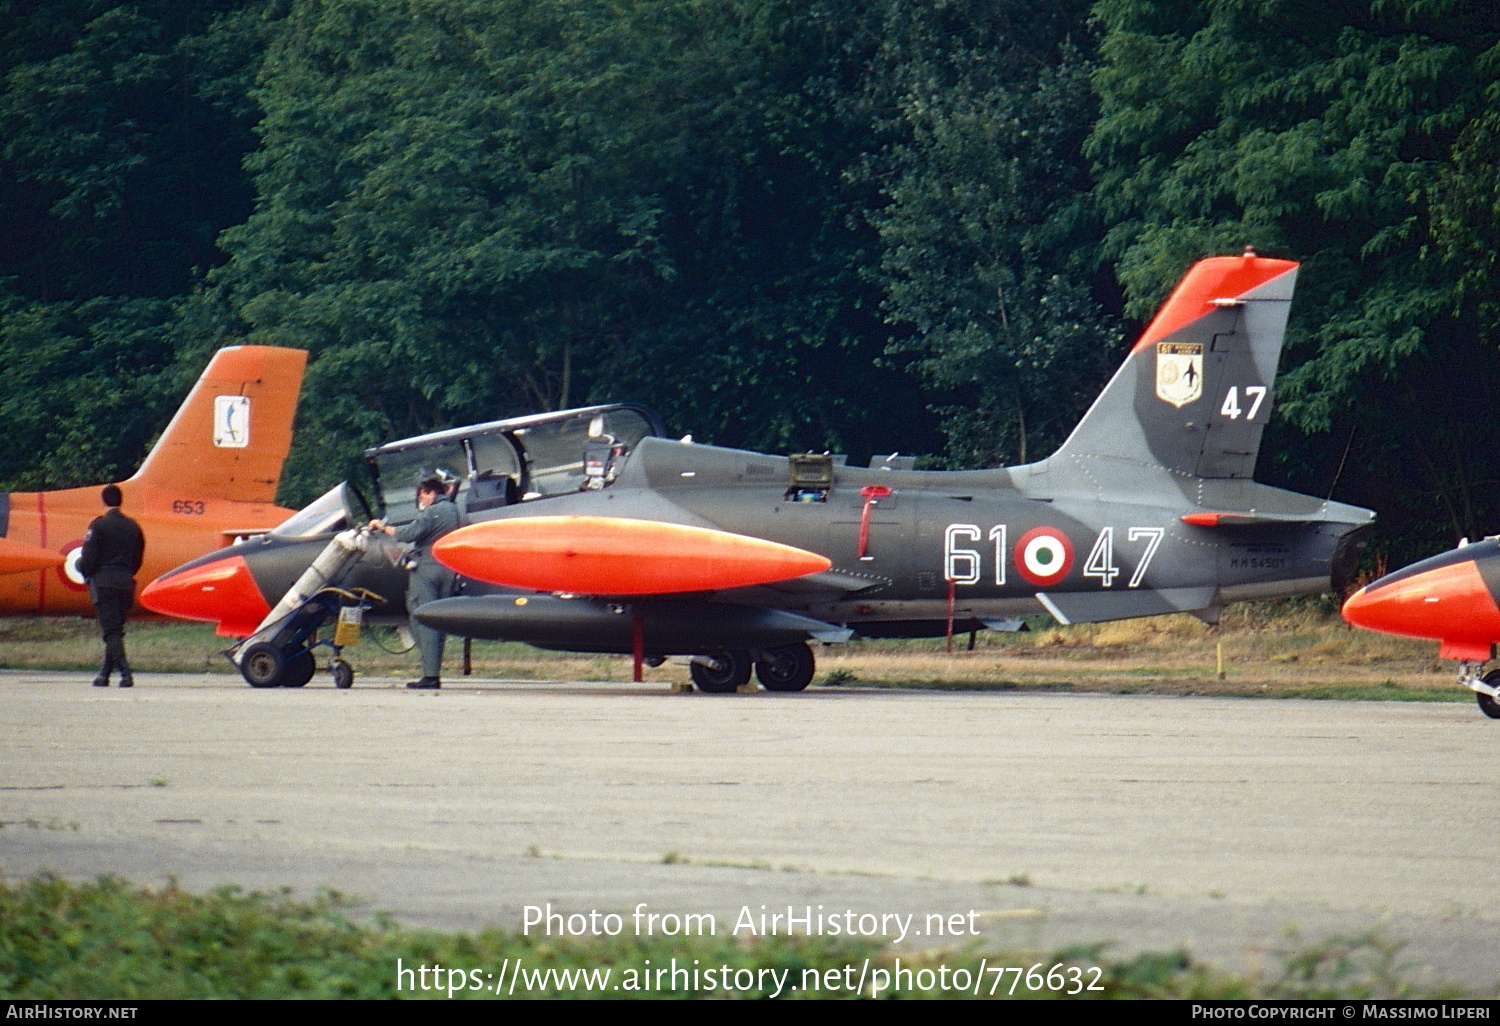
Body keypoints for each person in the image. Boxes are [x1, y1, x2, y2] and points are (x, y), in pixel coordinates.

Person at [369, 473, 460, 689]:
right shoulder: (454, 510)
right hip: (448, 568)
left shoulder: (432, 513)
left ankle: (430, 675)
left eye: (423, 497)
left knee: (422, 617)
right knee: (439, 620)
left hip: (427, 569)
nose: (422, 502)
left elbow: (409, 534)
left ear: (431, 492)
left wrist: (381, 527)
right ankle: (433, 670)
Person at [77, 484, 145, 688]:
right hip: (125, 582)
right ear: (120, 500)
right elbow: (137, 557)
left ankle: (125, 674)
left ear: (103, 501)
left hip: (104, 582)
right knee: (116, 628)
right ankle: (104, 675)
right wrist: (126, 573)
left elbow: (88, 558)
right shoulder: (133, 526)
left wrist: (86, 572)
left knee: (111, 632)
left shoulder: (98, 526)